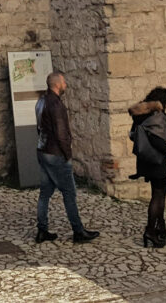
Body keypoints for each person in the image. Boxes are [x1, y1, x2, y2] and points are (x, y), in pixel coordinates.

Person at [34, 70, 99, 244]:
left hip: (42, 150)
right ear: (56, 84)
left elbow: (39, 128)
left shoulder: (41, 101)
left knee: (45, 193)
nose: (66, 85)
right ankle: (78, 231)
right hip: (55, 153)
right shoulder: (56, 105)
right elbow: (61, 133)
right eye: (63, 82)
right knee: (69, 193)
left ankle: (42, 230)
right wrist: (68, 155)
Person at [128, 87, 166, 248]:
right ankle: (150, 231)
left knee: (162, 190)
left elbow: (134, 135)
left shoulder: (140, 115)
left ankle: (160, 227)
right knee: (158, 195)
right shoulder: (156, 116)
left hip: (145, 159)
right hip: (156, 160)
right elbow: (155, 139)